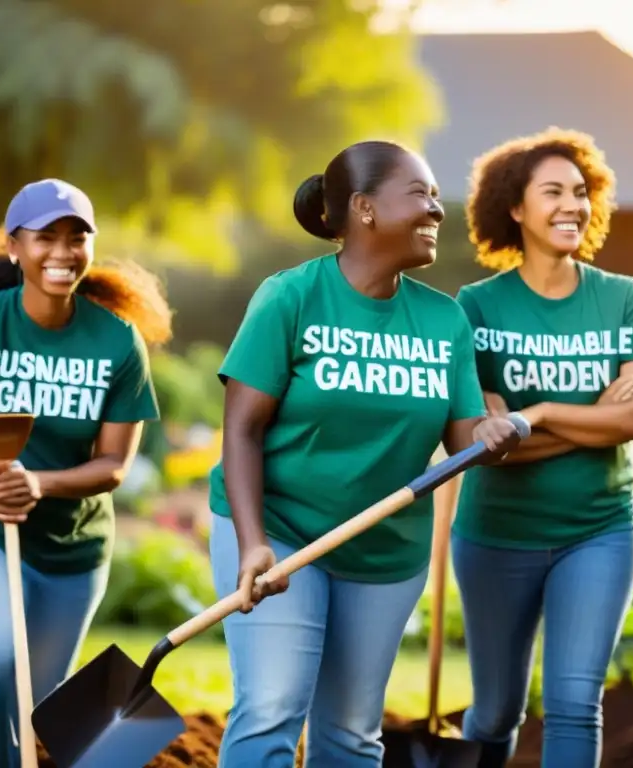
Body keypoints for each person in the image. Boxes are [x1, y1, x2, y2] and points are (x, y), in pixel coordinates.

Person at [207, 139, 523, 768]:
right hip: (279, 531)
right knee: (270, 707)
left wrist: (493, 436)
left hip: (385, 549)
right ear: (364, 209)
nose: (436, 209)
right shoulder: (291, 297)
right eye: (420, 194)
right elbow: (241, 430)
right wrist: (251, 543)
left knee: (351, 734)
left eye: (436, 196)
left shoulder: (445, 320)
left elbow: (464, 439)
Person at [0, 178, 171, 768]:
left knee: (41, 699)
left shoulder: (117, 342)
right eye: (46, 238)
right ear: (15, 248)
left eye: (77, 238)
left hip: (73, 542)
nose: (63, 252)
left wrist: (39, 484)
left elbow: (114, 464)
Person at [449, 127, 633, 767]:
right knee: (494, 712)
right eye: (553, 192)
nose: (573, 205)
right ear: (515, 208)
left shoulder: (624, 298)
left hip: (598, 530)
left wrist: (534, 415)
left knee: (574, 702)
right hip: (496, 534)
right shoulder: (477, 307)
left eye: (580, 192)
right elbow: (485, 444)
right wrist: (590, 416)